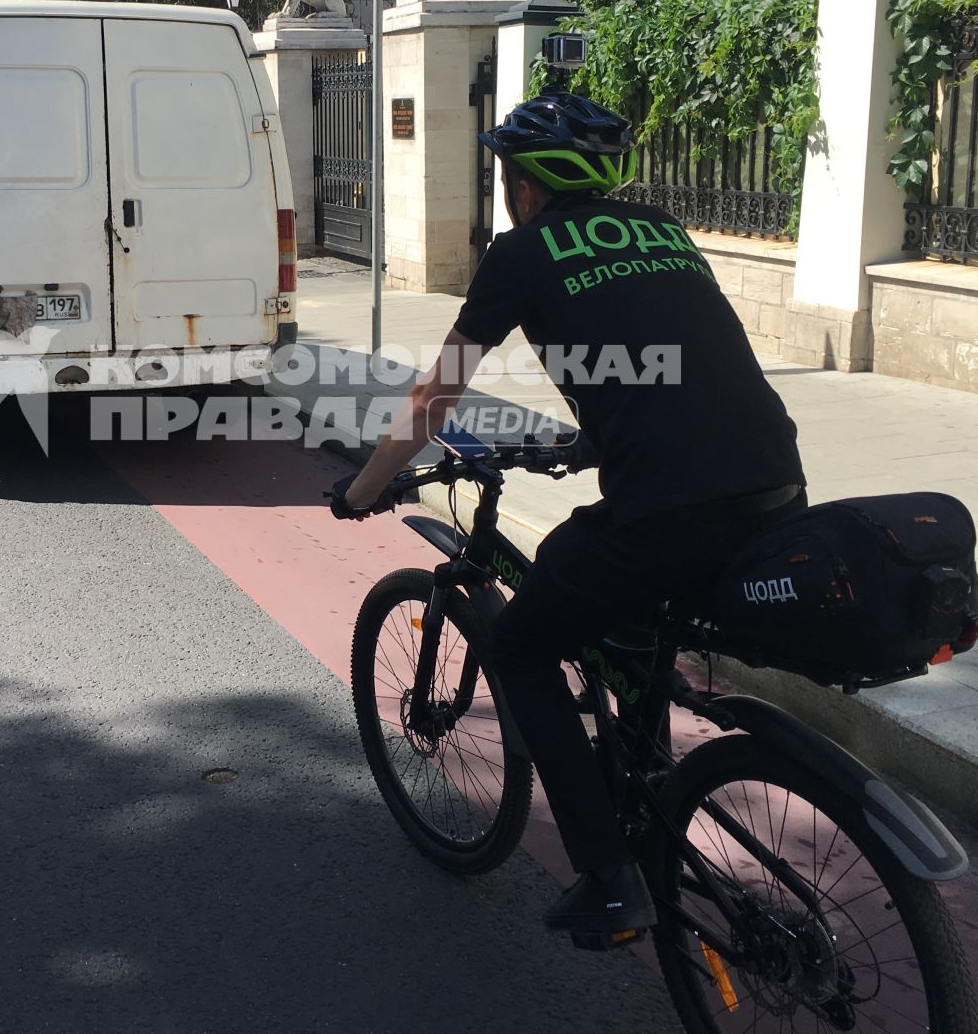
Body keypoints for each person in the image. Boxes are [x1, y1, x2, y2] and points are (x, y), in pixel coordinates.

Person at [329, 92, 805, 938]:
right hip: (773, 486)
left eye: (506, 175)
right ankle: (647, 765)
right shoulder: (660, 226)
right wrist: (597, 438)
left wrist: (361, 489)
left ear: (525, 185)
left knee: (518, 642)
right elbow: (660, 352)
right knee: (596, 576)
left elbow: (437, 393)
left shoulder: (520, 252)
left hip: (667, 509)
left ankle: (609, 877)